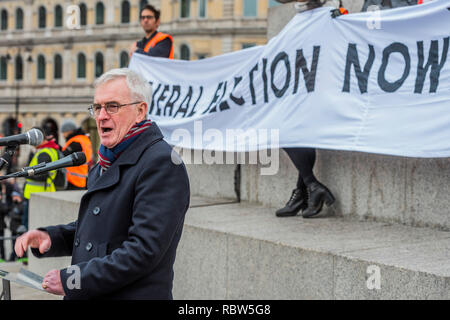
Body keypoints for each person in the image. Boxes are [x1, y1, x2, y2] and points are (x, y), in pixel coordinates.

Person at [15, 68, 190, 300]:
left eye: (112, 106)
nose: (101, 116)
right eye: (97, 107)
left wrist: (73, 279)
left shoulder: (161, 163)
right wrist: (53, 237)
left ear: (140, 111)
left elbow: (143, 251)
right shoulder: (108, 159)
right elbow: (101, 227)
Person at [275, 0, 336, 218]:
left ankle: (308, 187)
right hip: (305, 88)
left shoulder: (331, 15)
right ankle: (306, 189)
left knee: (288, 129)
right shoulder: (300, 21)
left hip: (324, 88)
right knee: (290, 130)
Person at [22, 128, 60, 229]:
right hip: (39, 193)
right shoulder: (50, 150)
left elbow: (42, 175)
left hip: (36, 195)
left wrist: (25, 173)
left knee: (29, 226)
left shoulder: (44, 153)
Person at [60, 120, 93, 190]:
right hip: (81, 178)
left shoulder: (76, 142)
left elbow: (63, 155)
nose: (63, 135)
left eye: (64, 132)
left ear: (69, 131)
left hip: (73, 180)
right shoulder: (83, 139)